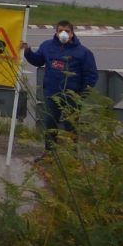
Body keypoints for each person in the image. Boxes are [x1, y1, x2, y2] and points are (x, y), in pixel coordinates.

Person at [22, 20, 98, 152]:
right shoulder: (47, 46)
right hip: (52, 94)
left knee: (71, 127)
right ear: (56, 33)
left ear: (72, 34)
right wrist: (28, 51)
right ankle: (50, 155)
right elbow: (38, 60)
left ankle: (72, 158)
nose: (63, 33)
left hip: (72, 97)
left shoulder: (83, 52)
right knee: (50, 125)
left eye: (67, 31)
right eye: (60, 31)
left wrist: (81, 95)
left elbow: (91, 76)